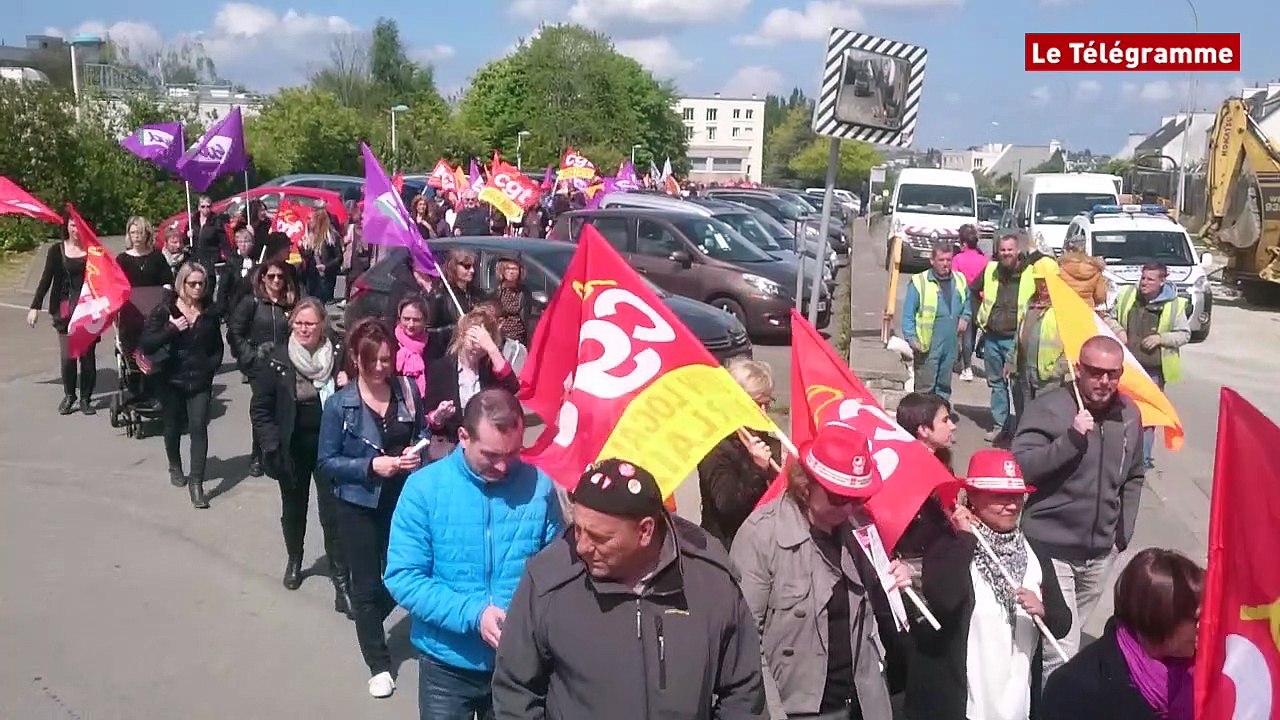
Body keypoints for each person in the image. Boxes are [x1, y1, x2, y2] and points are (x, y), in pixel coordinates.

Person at [492, 459, 768, 720]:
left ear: (645, 531)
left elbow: (743, 694)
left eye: (599, 537)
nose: (582, 547)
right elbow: (515, 690)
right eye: (578, 530)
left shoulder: (709, 580)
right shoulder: (548, 581)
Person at [385, 389, 563, 719]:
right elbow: (403, 577)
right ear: (464, 437)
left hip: (519, 666)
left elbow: (557, 573)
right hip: (446, 668)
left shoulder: (539, 487)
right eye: (492, 455)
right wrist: (474, 615)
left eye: (513, 453)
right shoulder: (424, 489)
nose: (504, 466)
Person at [732, 422, 914, 720]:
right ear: (806, 486)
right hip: (798, 709)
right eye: (839, 498)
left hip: (862, 702)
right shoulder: (761, 535)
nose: (849, 509)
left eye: (858, 498)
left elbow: (877, 613)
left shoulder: (860, 527)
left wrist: (901, 576)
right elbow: (746, 641)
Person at [1011, 335, 1145, 678]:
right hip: (1052, 548)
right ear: (1078, 369)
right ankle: (1051, 701)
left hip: (1100, 553)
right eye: (1096, 372)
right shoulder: (1049, 407)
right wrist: (1071, 440)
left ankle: (1036, 692)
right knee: (1063, 649)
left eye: (1113, 374)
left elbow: (1134, 474)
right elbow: (1021, 467)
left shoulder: (1129, 414)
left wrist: (1121, 535)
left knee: (1059, 639)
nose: (1104, 381)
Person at [905, 449, 1071, 720]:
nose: (1011, 505)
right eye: (1000, 496)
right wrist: (965, 539)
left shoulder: (1035, 551)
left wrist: (1043, 610)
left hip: (1017, 703)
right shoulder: (949, 545)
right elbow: (944, 599)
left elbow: (1063, 623)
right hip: (965, 704)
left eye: (1016, 497)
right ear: (972, 496)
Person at [316, 317, 428, 699]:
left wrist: (416, 451)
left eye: (386, 359)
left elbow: (422, 431)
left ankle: (368, 621)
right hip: (357, 503)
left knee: (405, 572)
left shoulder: (407, 390)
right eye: (373, 361)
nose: (381, 367)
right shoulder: (339, 405)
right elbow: (326, 462)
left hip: (402, 498)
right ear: (355, 359)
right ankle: (378, 663)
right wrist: (369, 466)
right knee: (365, 585)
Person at [249, 298, 352, 615]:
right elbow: (260, 409)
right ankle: (295, 558)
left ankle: (341, 582)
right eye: (299, 323)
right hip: (292, 446)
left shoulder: (337, 355)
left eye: (310, 324)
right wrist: (271, 445)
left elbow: (357, 395)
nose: (304, 329)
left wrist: (347, 384)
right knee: (294, 508)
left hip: (330, 445)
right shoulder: (277, 360)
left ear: (323, 325)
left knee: (333, 513)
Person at [1042, 549, 1203, 720]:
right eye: (1197, 618)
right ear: (1163, 620)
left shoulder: (1200, 670)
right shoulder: (1074, 690)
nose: (1204, 626)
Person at [139, 261, 224, 508]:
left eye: (202, 284)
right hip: (170, 378)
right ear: (182, 284)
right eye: (193, 283)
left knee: (198, 427)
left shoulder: (209, 312)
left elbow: (217, 347)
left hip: (199, 379)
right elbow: (146, 344)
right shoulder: (165, 310)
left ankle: (196, 483)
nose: (198, 288)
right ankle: (175, 465)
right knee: (173, 424)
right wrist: (171, 329)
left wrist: (210, 368)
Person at [697, 358, 781, 550]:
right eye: (757, 404)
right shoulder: (716, 448)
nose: (763, 413)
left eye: (767, 404)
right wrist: (758, 470)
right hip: (728, 549)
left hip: (764, 546)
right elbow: (728, 508)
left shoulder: (768, 442)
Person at [1114, 262, 1190, 468]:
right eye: (1143, 277)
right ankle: (1121, 455)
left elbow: (1184, 334)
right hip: (1126, 367)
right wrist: (1119, 330)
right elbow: (1110, 317)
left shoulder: (1174, 305)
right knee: (1121, 413)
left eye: (1150, 279)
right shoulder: (1129, 296)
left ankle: (1143, 460)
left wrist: (1160, 338)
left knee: (1147, 417)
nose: (1144, 283)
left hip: (1153, 371)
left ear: (1162, 281)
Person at [228, 259, 300, 476]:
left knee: (282, 408)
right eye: (271, 276)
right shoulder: (252, 302)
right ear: (262, 278)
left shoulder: (291, 302)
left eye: (280, 276)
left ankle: (277, 451)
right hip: (260, 365)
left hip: (286, 364)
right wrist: (250, 357)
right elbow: (234, 332)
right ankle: (258, 455)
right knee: (264, 408)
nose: (276, 280)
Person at [27, 217, 99, 415]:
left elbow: (104, 279)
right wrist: (35, 306)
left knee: (87, 357)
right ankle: (70, 395)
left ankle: (85, 399)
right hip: (64, 309)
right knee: (68, 357)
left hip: (88, 309)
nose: (76, 229)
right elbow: (46, 279)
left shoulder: (93, 251)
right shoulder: (56, 250)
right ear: (67, 226)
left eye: (79, 225)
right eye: (72, 225)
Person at [969, 234, 1036, 443]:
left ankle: (1021, 431)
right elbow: (973, 290)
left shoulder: (1030, 272)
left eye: (1010, 249)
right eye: (1003, 250)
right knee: (996, 384)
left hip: (1017, 340)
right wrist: (977, 316)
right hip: (992, 337)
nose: (1006, 253)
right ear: (998, 251)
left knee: (1018, 386)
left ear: (1018, 251)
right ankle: (1001, 426)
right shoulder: (991, 269)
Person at [424, 307, 520, 450]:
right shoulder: (440, 368)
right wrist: (439, 415)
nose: (477, 348)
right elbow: (429, 420)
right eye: (473, 340)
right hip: (452, 443)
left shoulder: (490, 368)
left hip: (485, 443)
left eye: (482, 343)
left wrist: (492, 349)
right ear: (462, 336)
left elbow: (512, 387)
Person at [902, 241, 970, 404]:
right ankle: (922, 417)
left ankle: (940, 415)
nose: (945, 264)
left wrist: (965, 316)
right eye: (941, 260)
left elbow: (967, 301)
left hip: (950, 345)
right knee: (925, 389)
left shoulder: (959, 280)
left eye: (948, 260)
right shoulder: (919, 282)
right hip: (927, 346)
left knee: (943, 388)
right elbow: (908, 315)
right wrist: (911, 338)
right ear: (932, 261)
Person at [1013, 259, 1069, 411]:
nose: (1043, 285)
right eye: (1039, 280)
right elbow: (1019, 334)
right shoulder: (1030, 304)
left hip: (1049, 380)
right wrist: (1011, 362)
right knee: (1027, 414)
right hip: (1026, 374)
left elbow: (1072, 347)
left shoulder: (1063, 308)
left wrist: (1056, 370)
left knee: (1046, 416)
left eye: (1047, 280)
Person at [427, 248, 489, 358]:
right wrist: (455, 328)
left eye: (473, 266)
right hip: (449, 355)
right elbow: (429, 332)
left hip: (476, 354)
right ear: (454, 267)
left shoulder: (479, 294)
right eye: (467, 266)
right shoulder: (439, 296)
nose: (472, 271)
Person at [951, 224, 987, 383]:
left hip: (963, 299)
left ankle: (966, 368)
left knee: (965, 334)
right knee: (973, 334)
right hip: (980, 300)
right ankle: (965, 362)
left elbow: (953, 281)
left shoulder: (958, 259)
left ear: (963, 243)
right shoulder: (985, 259)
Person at [116, 216, 174, 289]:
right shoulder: (121, 259)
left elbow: (167, 282)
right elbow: (117, 284)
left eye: (140, 232)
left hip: (154, 295)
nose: (136, 236)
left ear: (147, 234)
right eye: (133, 232)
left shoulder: (158, 257)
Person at [394, 297, 432, 399]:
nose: (411, 325)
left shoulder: (434, 344)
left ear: (425, 321)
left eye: (416, 320)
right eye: (406, 319)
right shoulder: (390, 342)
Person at [492, 258, 533, 346]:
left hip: (521, 338)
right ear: (502, 271)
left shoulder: (524, 292)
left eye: (514, 269)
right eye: (508, 268)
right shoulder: (498, 293)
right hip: (503, 338)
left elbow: (528, 314)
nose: (511, 272)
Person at [1058, 236, 1107, 309]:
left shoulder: (1061, 269)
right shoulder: (1095, 269)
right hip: (1087, 310)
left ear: (1069, 250)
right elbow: (1100, 297)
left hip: (1065, 309)